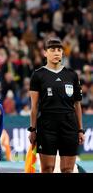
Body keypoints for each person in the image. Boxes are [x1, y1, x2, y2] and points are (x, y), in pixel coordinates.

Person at [28, 37, 84, 173]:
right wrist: (32, 129)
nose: (56, 53)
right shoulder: (37, 75)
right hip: (47, 126)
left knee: (67, 169)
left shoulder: (72, 75)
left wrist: (80, 129)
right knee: (47, 168)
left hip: (69, 126)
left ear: (62, 53)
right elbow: (34, 106)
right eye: (52, 50)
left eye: (59, 50)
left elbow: (77, 105)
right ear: (45, 53)